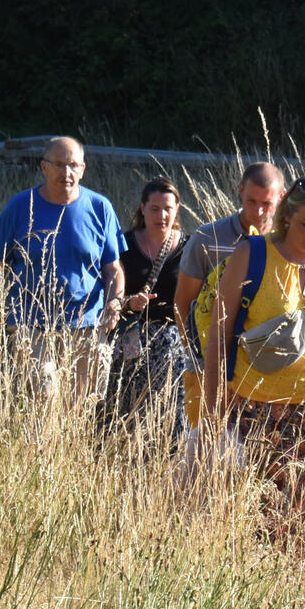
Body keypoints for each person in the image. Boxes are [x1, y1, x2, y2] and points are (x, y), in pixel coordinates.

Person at [202, 174, 305, 501]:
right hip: (255, 409)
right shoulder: (251, 254)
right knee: (259, 512)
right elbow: (218, 335)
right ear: (286, 216)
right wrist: (212, 410)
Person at [0, 135, 127, 404]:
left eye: (73, 165)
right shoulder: (19, 207)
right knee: (43, 399)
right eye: (59, 165)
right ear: (44, 167)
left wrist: (115, 302)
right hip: (32, 322)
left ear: (83, 169)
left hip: (87, 323)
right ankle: (41, 447)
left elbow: (113, 268)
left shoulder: (100, 208)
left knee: (81, 407)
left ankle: (71, 447)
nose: (66, 172)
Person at [175, 162, 283, 431]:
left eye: (267, 204)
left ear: (281, 197)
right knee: (204, 446)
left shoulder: (288, 244)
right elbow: (183, 303)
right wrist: (198, 355)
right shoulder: (207, 238)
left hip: (264, 370)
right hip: (207, 365)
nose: (258, 211)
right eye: (251, 201)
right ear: (240, 191)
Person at [104, 176, 189, 431]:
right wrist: (128, 302)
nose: (162, 215)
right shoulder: (124, 244)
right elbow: (106, 290)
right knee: (121, 415)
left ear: (177, 210)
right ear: (142, 208)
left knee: (171, 418)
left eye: (168, 209)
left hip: (173, 348)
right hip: (129, 344)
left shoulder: (190, 247)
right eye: (155, 208)